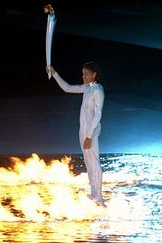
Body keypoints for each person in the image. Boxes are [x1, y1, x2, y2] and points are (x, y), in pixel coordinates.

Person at [47, 62, 106, 206]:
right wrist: (54, 73)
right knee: (88, 162)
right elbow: (67, 88)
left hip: (91, 130)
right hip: (83, 129)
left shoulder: (98, 90)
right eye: (83, 74)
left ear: (94, 74)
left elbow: (98, 114)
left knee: (94, 161)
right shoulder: (87, 88)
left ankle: (99, 198)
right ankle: (94, 194)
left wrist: (89, 136)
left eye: (86, 74)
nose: (83, 76)